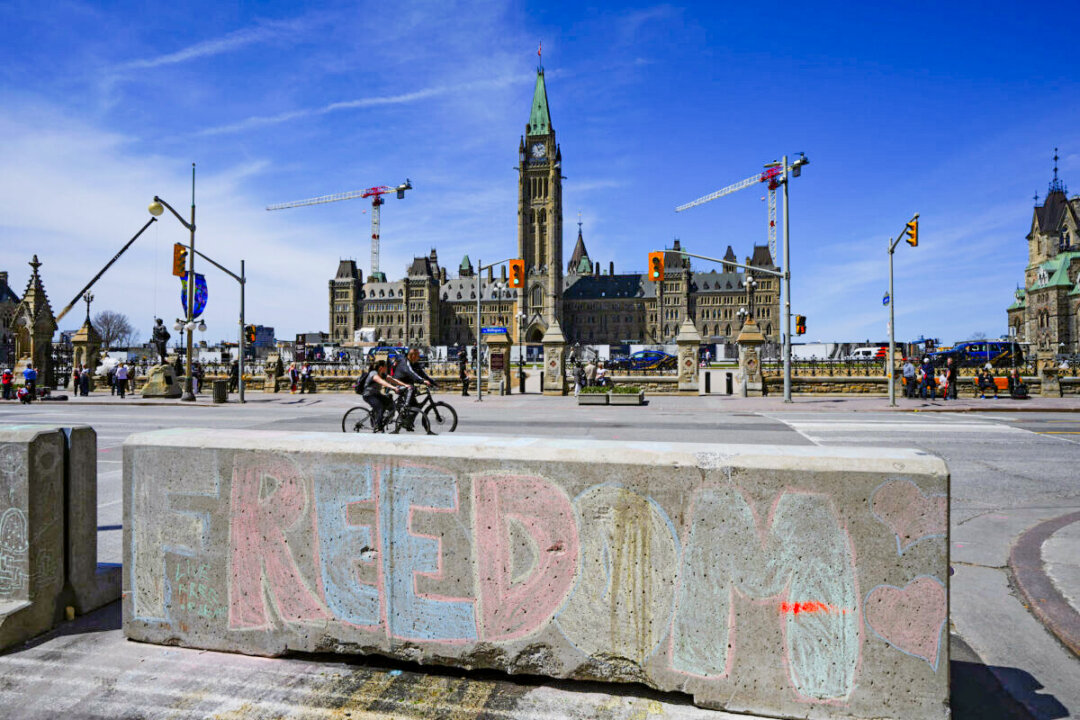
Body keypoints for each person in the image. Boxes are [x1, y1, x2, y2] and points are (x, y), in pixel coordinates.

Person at [393, 348, 435, 431]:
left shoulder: (414, 363)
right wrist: (422, 381)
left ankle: (407, 423)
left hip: (407, 385)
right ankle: (404, 409)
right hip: (399, 385)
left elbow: (422, 374)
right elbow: (411, 373)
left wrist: (433, 382)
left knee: (416, 406)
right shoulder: (405, 363)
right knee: (410, 391)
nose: (419, 357)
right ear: (413, 355)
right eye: (418, 355)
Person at [361, 360, 407, 432]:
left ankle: (382, 419)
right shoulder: (374, 373)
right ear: (381, 367)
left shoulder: (382, 374)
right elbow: (381, 382)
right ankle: (378, 426)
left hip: (376, 394)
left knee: (390, 403)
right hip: (368, 395)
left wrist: (405, 385)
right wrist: (393, 387)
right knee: (380, 407)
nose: (386, 368)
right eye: (385, 367)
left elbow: (392, 380)